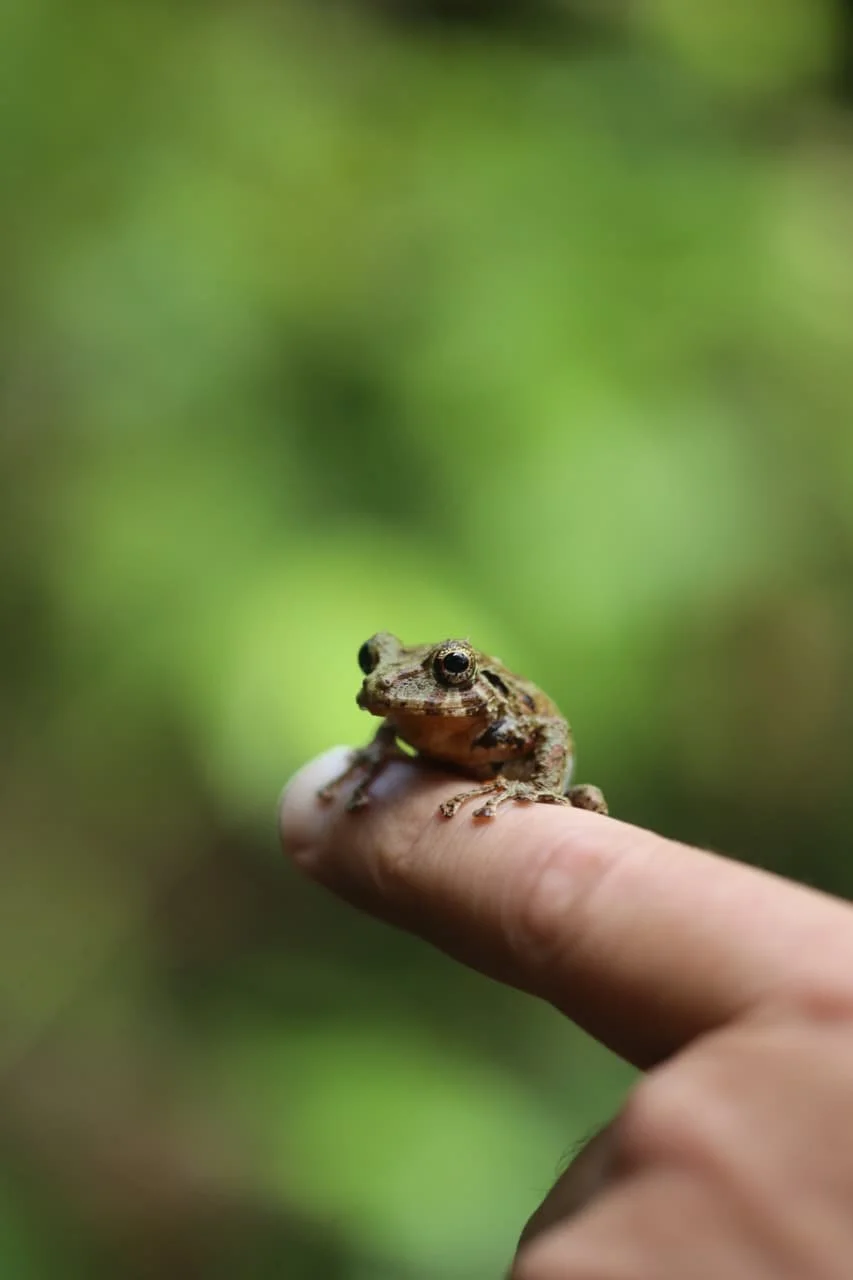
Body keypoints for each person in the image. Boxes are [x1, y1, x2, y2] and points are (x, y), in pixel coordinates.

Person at [280, 747, 853, 1278]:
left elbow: (551, 735)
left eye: (449, 668)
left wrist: (529, 789)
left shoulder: (505, 718)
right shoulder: (405, 706)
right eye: (371, 662)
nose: (388, 681)